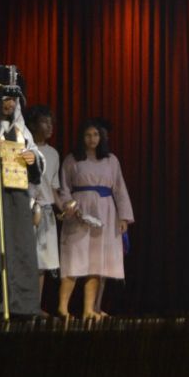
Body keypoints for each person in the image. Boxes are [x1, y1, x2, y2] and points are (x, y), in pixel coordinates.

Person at [0, 66, 43, 317]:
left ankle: (22, 305)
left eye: (14, 99)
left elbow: (35, 157)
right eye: (6, 98)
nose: (10, 104)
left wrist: (32, 159)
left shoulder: (20, 129)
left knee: (20, 249)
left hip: (17, 200)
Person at [57, 118, 134, 320]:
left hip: (105, 212)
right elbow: (63, 188)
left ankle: (89, 310)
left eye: (96, 134)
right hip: (79, 213)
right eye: (88, 135)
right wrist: (69, 206)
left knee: (97, 261)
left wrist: (124, 217)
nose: (92, 139)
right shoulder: (72, 159)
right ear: (81, 137)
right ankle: (63, 308)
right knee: (74, 259)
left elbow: (120, 189)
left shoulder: (111, 160)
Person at [24, 104, 60, 307]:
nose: (49, 126)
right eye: (44, 122)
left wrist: (64, 207)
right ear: (33, 125)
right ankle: (25, 305)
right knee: (27, 258)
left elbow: (53, 188)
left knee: (42, 263)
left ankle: (36, 306)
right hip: (27, 210)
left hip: (45, 212)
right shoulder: (25, 149)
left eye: (51, 122)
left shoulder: (53, 154)